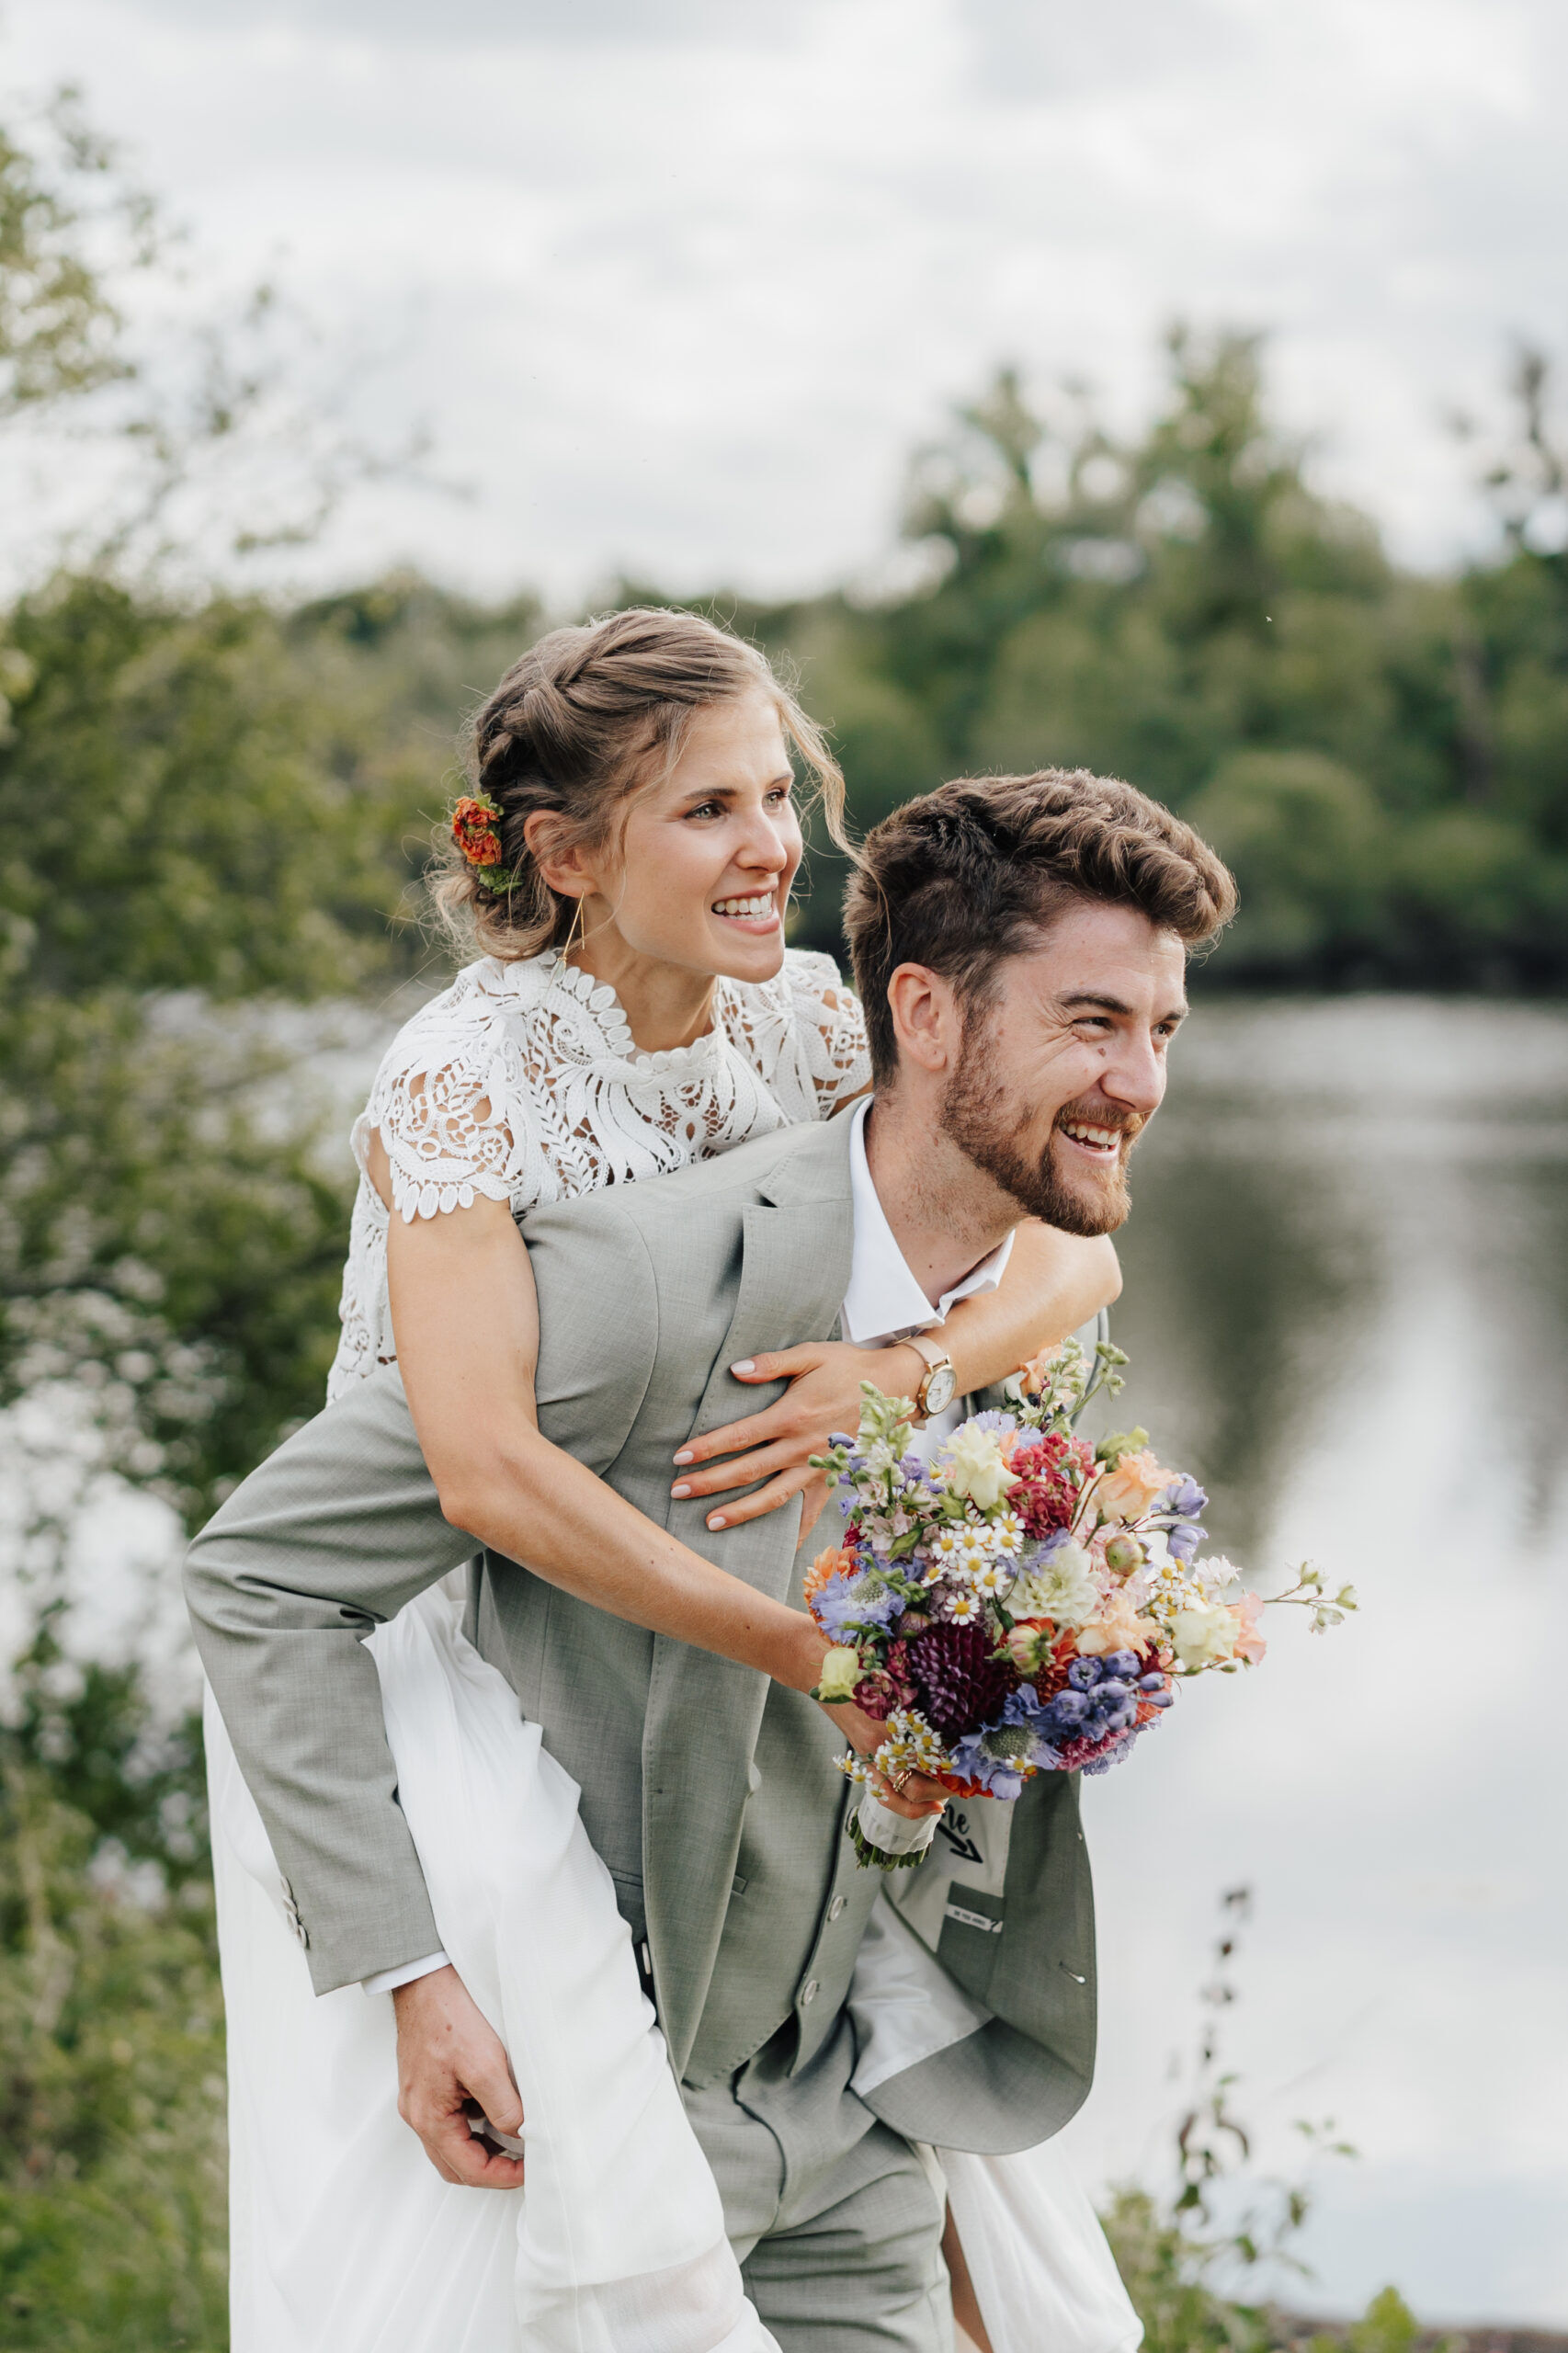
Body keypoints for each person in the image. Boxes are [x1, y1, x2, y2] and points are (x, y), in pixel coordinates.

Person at [188, 740, 1234, 2352]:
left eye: (1158, 1027)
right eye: (1091, 1023)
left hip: (852, 2114)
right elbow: (260, 1577)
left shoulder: (1018, 1307)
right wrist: (405, 1972)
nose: (1139, 1083)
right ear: (925, 1015)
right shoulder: (623, 1281)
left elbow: (1052, 1285)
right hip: (590, 2103)